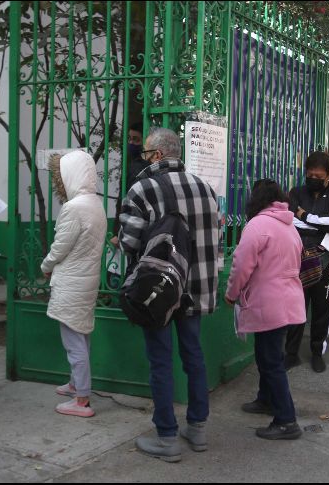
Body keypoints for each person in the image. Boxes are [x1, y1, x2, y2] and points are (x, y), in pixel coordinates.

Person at [119, 127, 219, 462]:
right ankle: (198, 429)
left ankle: (166, 438)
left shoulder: (142, 189)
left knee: (160, 362)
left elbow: (129, 243)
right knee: (194, 356)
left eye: (146, 153)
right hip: (196, 288)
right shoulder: (205, 188)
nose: (144, 158)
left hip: (159, 292)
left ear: (158, 155)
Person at [226, 179, 306, 441]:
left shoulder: (257, 225)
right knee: (268, 355)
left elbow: (241, 264)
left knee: (270, 361)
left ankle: (286, 420)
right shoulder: (289, 225)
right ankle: (266, 399)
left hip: (268, 302)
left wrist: (232, 293)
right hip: (289, 300)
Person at [41, 151, 107, 418]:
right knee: (81, 334)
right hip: (87, 280)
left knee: (73, 341)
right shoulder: (96, 203)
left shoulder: (74, 207)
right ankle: (75, 384)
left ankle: (81, 400)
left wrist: (45, 266)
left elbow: (60, 247)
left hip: (71, 283)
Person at [285, 151, 329, 373]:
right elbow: (289, 220)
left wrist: (305, 216)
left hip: (326, 259)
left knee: (323, 307)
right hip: (298, 257)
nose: (313, 179)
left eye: (318, 176)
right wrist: (319, 223)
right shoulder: (296, 192)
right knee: (296, 307)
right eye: (310, 175)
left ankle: (317, 352)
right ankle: (291, 354)